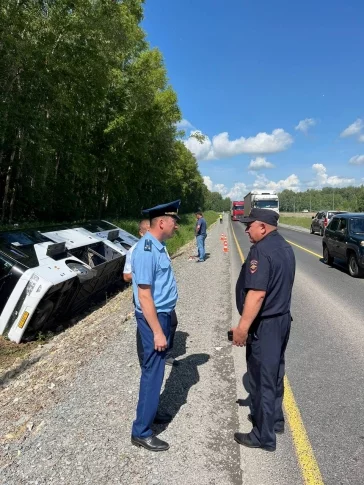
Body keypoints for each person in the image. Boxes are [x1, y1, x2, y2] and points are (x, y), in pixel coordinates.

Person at [231, 208, 295, 452]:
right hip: (281, 321)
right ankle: (273, 421)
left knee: (262, 379)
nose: (246, 229)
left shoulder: (261, 250)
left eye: (249, 225)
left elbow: (257, 294)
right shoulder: (284, 246)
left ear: (263, 227)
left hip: (266, 325)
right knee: (276, 374)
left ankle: (263, 436)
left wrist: (242, 328)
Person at [131, 200, 180, 452]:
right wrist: (158, 331)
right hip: (154, 319)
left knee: (157, 370)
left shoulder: (158, 246)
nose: (176, 227)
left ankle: (151, 412)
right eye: (174, 222)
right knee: (153, 371)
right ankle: (141, 431)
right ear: (162, 222)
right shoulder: (147, 250)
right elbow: (145, 296)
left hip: (161, 315)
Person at [123, 220, 179, 367]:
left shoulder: (160, 246)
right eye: (147, 231)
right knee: (145, 330)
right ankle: (145, 360)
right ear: (141, 233)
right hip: (146, 297)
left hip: (162, 298)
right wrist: (145, 275)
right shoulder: (136, 250)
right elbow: (126, 275)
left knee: (172, 322)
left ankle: (165, 352)